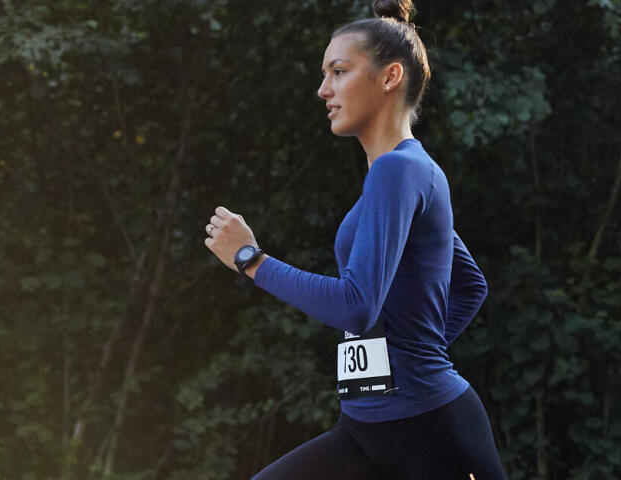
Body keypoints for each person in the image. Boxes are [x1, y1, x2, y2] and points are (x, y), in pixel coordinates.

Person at [201, 1, 506, 478]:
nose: (324, 89)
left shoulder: (397, 171)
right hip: (365, 429)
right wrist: (402, 361)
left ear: (389, 77)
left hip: (431, 432)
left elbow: (356, 305)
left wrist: (250, 258)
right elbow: (471, 285)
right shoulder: (407, 172)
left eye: (338, 72)